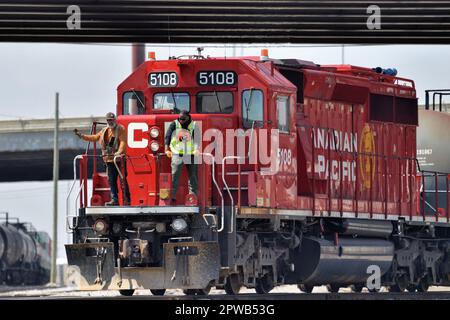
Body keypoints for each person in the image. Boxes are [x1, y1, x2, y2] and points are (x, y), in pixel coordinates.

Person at [74, 112, 130, 206]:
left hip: (119, 161)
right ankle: (114, 200)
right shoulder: (104, 131)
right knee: (111, 180)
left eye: (111, 120)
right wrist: (82, 136)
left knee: (123, 180)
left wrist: (119, 153)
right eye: (108, 120)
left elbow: (123, 143)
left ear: (115, 120)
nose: (110, 121)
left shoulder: (120, 129)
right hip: (109, 161)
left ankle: (127, 199)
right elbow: (95, 137)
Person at [164, 110, 200, 204]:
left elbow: (197, 139)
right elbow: (167, 136)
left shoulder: (194, 125)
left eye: (183, 119)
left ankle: (193, 197)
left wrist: (196, 149)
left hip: (191, 154)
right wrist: (166, 149)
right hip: (177, 153)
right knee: (175, 175)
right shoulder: (174, 124)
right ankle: (172, 197)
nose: (181, 120)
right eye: (180, 118)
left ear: (188, 117)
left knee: (193, 177)